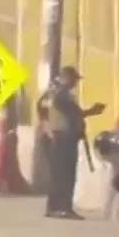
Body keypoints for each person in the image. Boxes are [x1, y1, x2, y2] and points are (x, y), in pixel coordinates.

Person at [39, 66, 105, 219]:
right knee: (65, 174)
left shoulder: (53, 93)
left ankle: (54, 207)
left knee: (58, 174)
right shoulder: (61, 95)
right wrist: (92, 111)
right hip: (64, 137)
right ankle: (62, 208)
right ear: (65, 78)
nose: (75, 83)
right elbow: (73, 113)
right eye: (73, 79)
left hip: (61, 137)